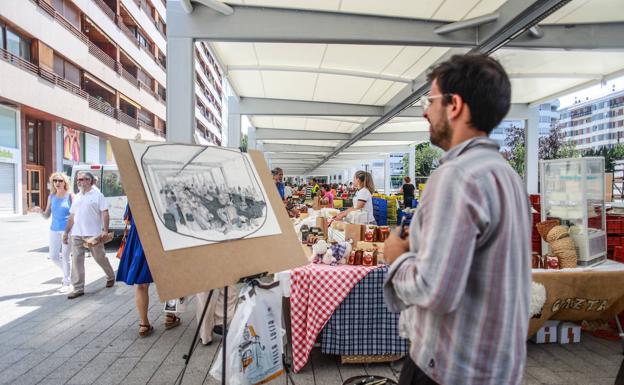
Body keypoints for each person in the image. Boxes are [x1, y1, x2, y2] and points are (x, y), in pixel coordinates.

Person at [383, 54, 531, 385]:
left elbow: (435, 289)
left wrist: (396, 257)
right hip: (494, 368)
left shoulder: (456, 175)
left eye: (430, 100)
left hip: (447, 369)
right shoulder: (506, 175)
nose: (425, 111)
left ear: (455, 105)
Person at [116, 206, 181, 336]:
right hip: (163, 234)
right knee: (170, 278)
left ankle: (144, 324)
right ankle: (170, 315)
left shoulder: (135, 189)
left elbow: (127, 220)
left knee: (141, 283)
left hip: (140, 237)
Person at [63, 171, 116, 299]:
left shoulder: (98, 195)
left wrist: (105, 230)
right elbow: (71, 216)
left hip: (93, 234)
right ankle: (78, 288)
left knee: (99, 257)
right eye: (78, 179)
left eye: (82, 179)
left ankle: (110, 275)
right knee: (77, 261)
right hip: (76, 234)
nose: (79, 181)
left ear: (90, 181)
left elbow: (105, 213)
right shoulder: (76, 196)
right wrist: (66, 232)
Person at [34, 172, 73, 293]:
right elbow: (47, 215)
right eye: (55, 181)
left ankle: (66, 282)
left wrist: (67, 231)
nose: (57, 183)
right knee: (53, 256)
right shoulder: (51, 197)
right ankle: (69, 274)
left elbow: (74, 215)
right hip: (54, 230)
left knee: (66, 256)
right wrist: (40, 211)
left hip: (67, 230)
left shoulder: (71, 196)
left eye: (60, 181)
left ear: (65, 182)